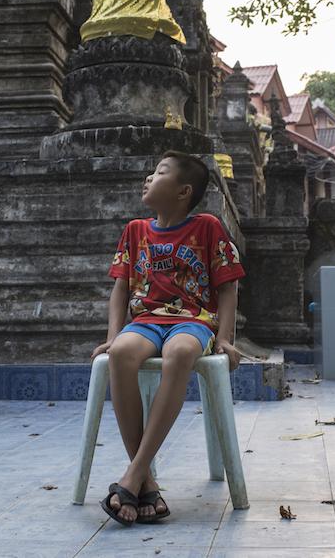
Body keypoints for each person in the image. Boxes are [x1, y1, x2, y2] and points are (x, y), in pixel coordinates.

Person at [92, 150, 246, 526]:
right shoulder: (135, 230)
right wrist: (113, 336)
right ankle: (144, 481)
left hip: (193, 321)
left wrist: (224, 338)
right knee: (122, 354)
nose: (148, 177)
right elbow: (121, 289)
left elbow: (228, 287)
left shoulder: (208, 227)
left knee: (180, 353)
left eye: (159, 172)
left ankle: (134, 476)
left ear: (183, 191)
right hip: (145, 320)